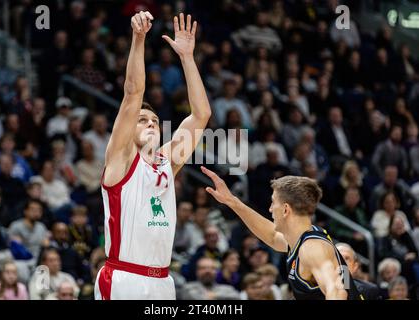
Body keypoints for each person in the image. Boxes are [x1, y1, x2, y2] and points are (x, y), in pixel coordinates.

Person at [94, 12, 211, 300]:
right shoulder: (120, 158)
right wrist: (138, 38)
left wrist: (186, 57)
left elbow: (201, 115)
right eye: (142, 120)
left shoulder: (166, 163)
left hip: (162, 281)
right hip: (123, 277)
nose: (150, 124)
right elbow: (133, 93)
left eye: (155, 121)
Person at [201, 167, 363, 300]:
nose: (270, 209)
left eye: (273, 203)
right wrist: (232, 201)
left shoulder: (313, 248)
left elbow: (337, 291)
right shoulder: (306, 236)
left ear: (285, 209)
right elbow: (271, 236)